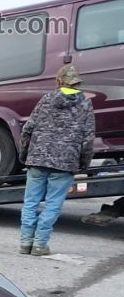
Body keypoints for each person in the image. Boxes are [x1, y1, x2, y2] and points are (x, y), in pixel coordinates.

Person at [18, 64, 96, 256]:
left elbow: (28, 129)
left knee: (30, 202)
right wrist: (83, 163)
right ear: (76, 83)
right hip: (65, 162)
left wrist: (24, 155)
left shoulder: (46, 99)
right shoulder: (85, 103)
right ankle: (40, 245)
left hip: (37, 159)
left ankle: (25, 243)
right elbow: (88, 138)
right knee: (53, 204)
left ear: (58, 81)